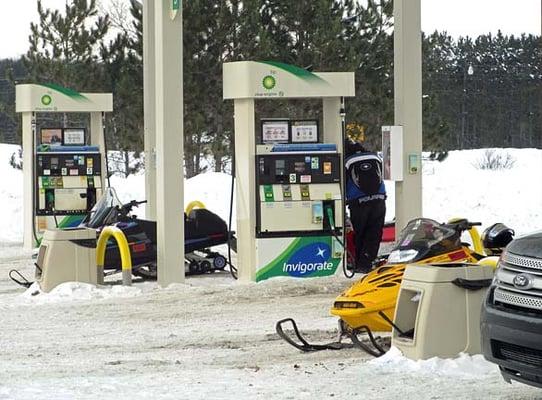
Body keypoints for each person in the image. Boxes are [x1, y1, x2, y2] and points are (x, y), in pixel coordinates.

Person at [344, 138, 387, 273]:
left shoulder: (347, 161)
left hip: (358, 202)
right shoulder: (375, 156)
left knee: (359, 233)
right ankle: (368, 261)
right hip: (379, 200)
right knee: (375, 232)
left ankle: (358, 264)